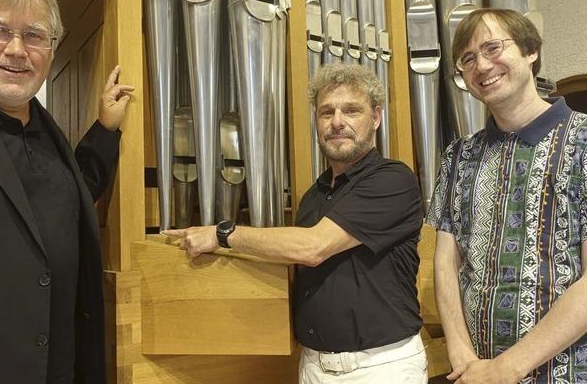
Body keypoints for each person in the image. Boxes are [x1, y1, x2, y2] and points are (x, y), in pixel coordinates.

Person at [165, 63, 427, 383]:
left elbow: (313, 247)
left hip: (380, 366)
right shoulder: (313, 197)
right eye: (326, 112)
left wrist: (223, 234)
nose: (337, 122)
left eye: (351, 111)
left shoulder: (392, 179)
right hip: (313, 366)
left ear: (375, 117)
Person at [0, 0, 134, 384]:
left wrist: (105, 130)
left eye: (34, 35)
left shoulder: (46, 132)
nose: (17, 49)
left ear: (51, 48)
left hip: (59, 368)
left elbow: (66, 198)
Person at [428, 8, 587, 383]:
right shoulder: (458, 155)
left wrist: (507, 367)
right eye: (467, 59)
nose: (481, 65)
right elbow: (445, 263)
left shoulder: (583, 140)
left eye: (493, 47)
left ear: (530, 51)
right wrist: (461, 354)